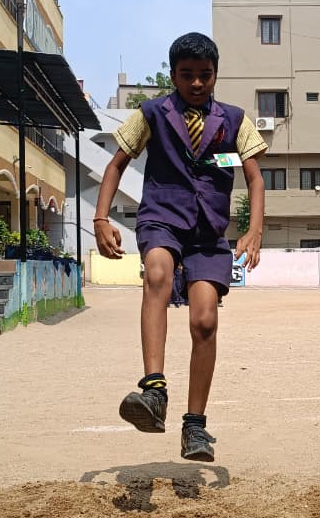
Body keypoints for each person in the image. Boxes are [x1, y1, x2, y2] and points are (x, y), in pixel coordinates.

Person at [93, 32, 266, 462]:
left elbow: (255, 177)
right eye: (187, 75)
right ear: (173, 75)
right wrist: (100, 219)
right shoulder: (151, 113)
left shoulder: (234, 120)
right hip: (162, 218)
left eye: (205, 75)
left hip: (208, 233)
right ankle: (154, 391)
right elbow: (115, 165)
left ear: (216, 74)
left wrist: (254, 230)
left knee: (205, 321)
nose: (196, 83)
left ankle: (195, 426)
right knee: (157, 272)